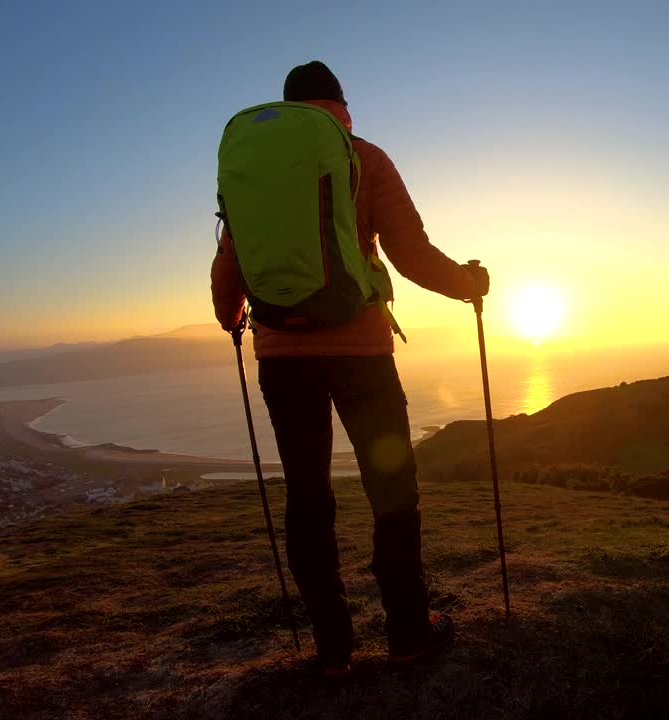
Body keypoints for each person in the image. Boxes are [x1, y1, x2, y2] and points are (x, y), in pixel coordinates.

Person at [210, 61, 489, 676]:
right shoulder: (364, 157)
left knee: (307, 497)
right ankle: (408, 631)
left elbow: (229, 261)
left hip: (282, 358)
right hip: (361, 355)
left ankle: (332, 646)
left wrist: (233, 319)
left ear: (288, 110)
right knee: (392, 492)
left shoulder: (254, 166)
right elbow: (410, 252)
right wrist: (470, 284)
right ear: (341, 108)